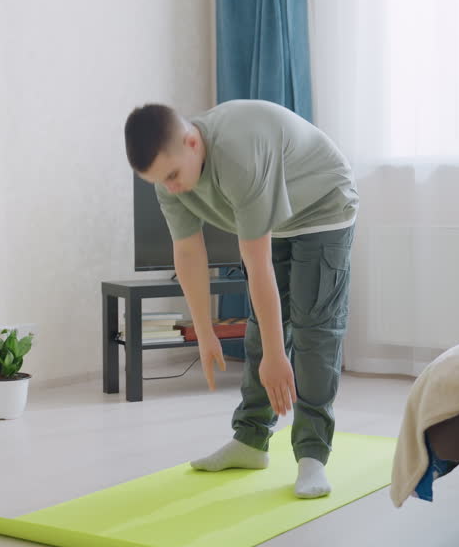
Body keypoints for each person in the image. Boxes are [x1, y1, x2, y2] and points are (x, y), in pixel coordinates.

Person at [124, 99, 358, 499]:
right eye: (160, 181)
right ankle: (250, 442)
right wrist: (203, 331)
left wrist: (277, 355)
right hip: (278, 218)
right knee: (261, 333)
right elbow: (189, 254)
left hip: (323, 207)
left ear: (192, 142)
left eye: (174, 175)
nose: (171, 187)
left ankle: (312, 456)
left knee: (313, 330)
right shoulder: (172, 179)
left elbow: (256, 263)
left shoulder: (239, 155)